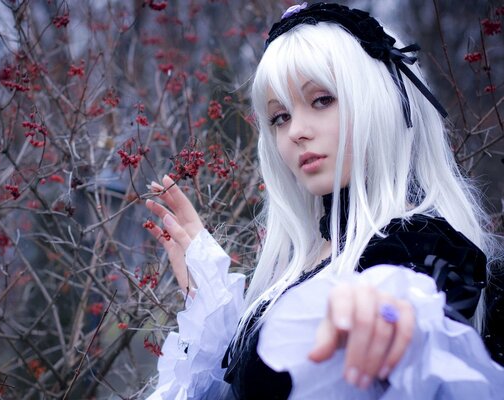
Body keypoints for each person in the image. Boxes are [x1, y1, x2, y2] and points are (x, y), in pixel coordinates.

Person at [143, 2, 504, 399]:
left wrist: (388, 321)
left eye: (321, 100)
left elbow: (412, 322)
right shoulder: (306, 261)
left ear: (378, 100)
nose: (296, 131)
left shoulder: (420, 251)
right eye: (280, 117)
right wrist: (208, 299)